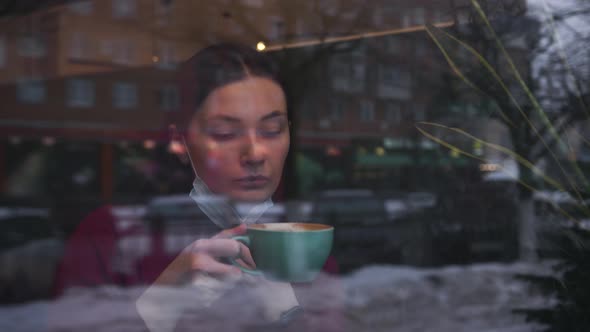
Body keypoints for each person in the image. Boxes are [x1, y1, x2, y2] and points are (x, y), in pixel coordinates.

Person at [136, 43, 343, 332]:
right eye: (225, 133)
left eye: (272, 130)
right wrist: (156, 308)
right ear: (181, 140)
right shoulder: (122, 237)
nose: (255, 153)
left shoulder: (307, 247)